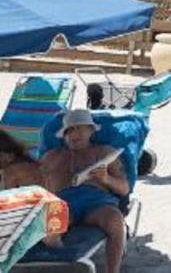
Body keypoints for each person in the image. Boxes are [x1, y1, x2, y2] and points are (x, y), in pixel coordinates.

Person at [39, 110, 129, 273]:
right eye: (70, 130)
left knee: (115, 220)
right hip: (63, 203)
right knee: (49, 228)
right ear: (64, 135)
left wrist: (106, 179)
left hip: (97, 203)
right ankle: (65, 263)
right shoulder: (51, 157)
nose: (74, 134)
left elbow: (124, 188)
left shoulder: (105, 153)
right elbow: (36, 187)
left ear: (91, 130)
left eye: (80, 128)